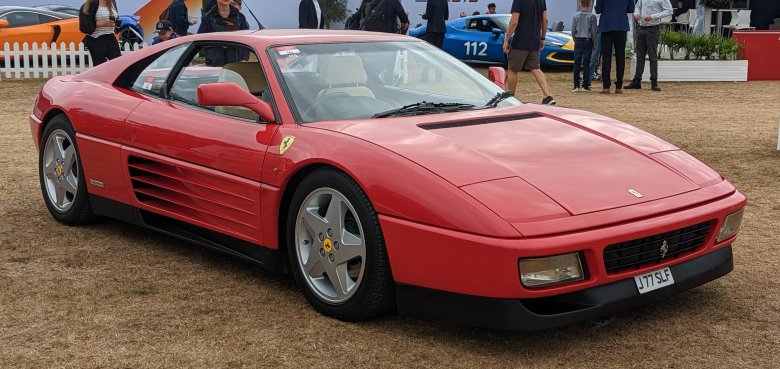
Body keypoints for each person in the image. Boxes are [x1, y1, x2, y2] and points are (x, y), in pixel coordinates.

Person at [502, 0, 555, 105]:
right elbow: (545, 20)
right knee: (535, 68)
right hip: (535, 40)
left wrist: (506, 39)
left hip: (520, 40)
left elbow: (514, 22)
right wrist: (543, 37)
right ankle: (547, 96)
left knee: (513, 69)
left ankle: (511, 97)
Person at [625, 0, 672, 91]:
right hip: (641, 28)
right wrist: (636, 13)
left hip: (653, 28)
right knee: (640, 56)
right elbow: (637, 6)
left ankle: (654, 81)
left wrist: (653, 17)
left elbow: (669, 10)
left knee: (652, 57)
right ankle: (637, 80)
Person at [595, 0, 634, 94]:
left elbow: (598, 10)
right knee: (620, 57)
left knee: (606, 57)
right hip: (621, 26)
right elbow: (631, 9)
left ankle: (606, 86)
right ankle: (619, 86)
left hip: (607, 26)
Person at [197, 0, 249, 66]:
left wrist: (244, 58)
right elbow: (200, 40)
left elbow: (246, 40)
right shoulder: (207, 18)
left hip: (236, 64)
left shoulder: (240, 17)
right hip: (215, 63)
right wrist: (218, 45)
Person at [79, 0, 121, 66]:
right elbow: (84, 26)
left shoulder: (112, 2)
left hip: (110, 37)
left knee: (118, 65)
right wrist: (101, 24)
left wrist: (116, 25)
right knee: (100, 67)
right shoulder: (90, 3)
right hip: (96, 39)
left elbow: (115, 18)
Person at [571, 0, 597, 92]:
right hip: (588, 40)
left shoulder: (576, 15)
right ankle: (585, 85)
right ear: (590, 4)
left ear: (579, 3)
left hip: (578, 39)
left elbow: (573, 30)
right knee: (587, 63)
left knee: (577, 62)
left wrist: (575, 39)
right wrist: (594, 43)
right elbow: (594, 32)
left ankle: (576, 85)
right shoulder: (592, 16)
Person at [589, 0, 602, 81]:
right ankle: (590, 75)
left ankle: (590, 75)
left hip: (599, 25)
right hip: (599, 25)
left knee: (595, 52)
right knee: (595, 53)